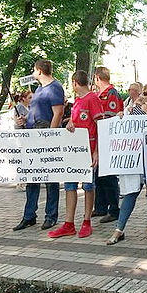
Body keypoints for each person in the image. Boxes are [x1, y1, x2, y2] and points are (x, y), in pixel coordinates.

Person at [107, 82, 147, 244]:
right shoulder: (134, 111)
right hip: (136, 157)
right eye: (145, 93)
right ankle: (119, 228)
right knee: (131, 192)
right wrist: (120, 118)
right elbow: (125, 129)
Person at [49, 71, 101, 239]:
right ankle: (69, 223)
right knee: (70, 186)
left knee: (88, 186)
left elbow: (99, 125)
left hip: (88, 149)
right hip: (74, 150)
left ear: (74, 83)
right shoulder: (77, 101)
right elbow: (77, 122)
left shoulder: (92, 98)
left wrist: (97, 151)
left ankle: (86, 221)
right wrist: (70, 124)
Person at [14, 59, 64, 232]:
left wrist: (50, 135)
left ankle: (51, 215)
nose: (32, 73)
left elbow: (58, 113)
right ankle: (29, 215)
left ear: (39, 71)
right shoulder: (40, 89)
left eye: (33, 70)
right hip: (32, 136)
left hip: (45, 137)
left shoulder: (55, 87)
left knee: (50, 179)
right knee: (32, 177)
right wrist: (25, 119)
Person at [93, 66, 123, 223]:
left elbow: (111, 117)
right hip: (99, 139)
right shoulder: (99, 94)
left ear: (97, 78)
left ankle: (114, 209)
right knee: (99, 176)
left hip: (108, 139)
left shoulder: (111, 94)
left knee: (109, 176)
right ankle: (100, 206)